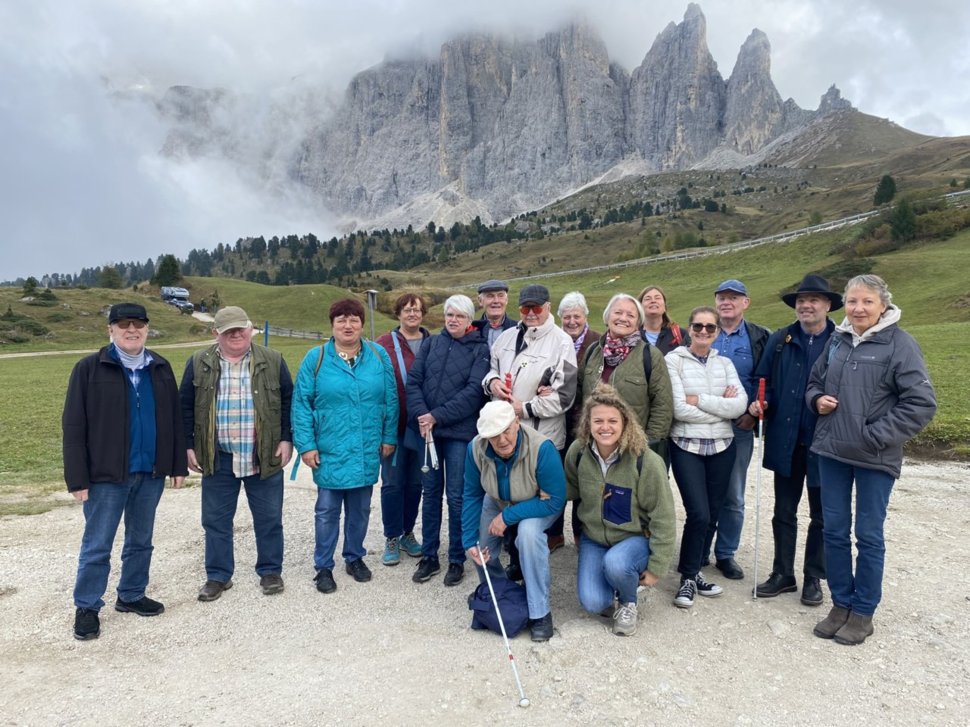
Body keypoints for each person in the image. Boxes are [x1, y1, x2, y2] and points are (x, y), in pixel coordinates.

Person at [806, 274, 936, 645]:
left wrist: (875, 435)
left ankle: (863, 611)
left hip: (874, 456)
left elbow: (921, 403)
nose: (858, 308)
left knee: (868, 534)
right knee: (833, 530)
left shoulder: (900, 344)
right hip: (832, 452)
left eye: (866, 302)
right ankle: (840, 604)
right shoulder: (837, 340)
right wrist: (816, 400)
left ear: (883, 305)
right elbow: (815, 383)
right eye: (852, 302)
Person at [63, 303, 187, 640]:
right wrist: (77, 477)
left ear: (147, 328)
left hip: (150, 473)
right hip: (106, 476)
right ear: (111, 330)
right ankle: (87, 606)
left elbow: (174, 420)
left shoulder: (160, 367)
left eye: (138, 324)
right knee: (98, 544)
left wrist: (176, 465)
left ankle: (131, 594)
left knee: (141, 540)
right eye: (123, 325)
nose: (131, 330)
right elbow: (74, 425)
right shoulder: (89, 368)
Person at [180, 305, 293, 601]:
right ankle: (218, 576)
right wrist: (188, 444)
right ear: (216, 332)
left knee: (269, 518)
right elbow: (185, 406)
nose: (236, 334)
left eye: (240, 328)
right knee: (216, 520)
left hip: (263, 453)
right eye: (228, 330)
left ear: (250, 328)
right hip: (218, 456)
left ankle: (270, 571)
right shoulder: (198, 362)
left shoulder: (273, 360)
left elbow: (288, 402)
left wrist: (286, 439)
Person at [291, 298, 398, 594]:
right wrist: (306, 445)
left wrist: (389, 436)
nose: (348, 325)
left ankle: (354, 557)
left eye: (354, 319)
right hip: (329, 447)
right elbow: (301, 404)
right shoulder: (317, 358)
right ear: (332, 325)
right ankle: (323, 566)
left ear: (362, 324)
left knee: (360, 508)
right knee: (327, 509)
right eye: (341, 320)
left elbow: (390, 398)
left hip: (366, 445)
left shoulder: (377, 356)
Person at [749, 275, 841, 606]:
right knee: (783, 511)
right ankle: (783, 574)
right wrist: (762, 401)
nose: (806, 305)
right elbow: (762, 379)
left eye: (814, 299)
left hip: (825, 444)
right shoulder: (780, 340)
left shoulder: (841, 342)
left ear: (828, 305)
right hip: (786, 440)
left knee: (822, 515)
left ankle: (814, 577)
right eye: (802, 300)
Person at [564, 384, 675, 636]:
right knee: (593, 602)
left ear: (624, 422)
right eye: (598, 421)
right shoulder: (578, 452)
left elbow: (664, 517)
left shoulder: (645, 460)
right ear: (588, 423)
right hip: (595, 538)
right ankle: (614, 584)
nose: (605, 427)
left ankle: (628, 601)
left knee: (616, 563)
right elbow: (567, 491)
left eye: (613, 420)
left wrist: (657, 566)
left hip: (633, 538)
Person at [483, 284, 577, 579]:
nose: (532, 314)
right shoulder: (507, 338)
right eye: (526, 309)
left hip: (542, 437)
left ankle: (528, 563)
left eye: (538, 308)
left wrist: (525, 408)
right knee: (508, 494)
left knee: (534, 501)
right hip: (505, 435)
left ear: (549, 307)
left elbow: (564, 397)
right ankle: (513, 559)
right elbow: (491, 369)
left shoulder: (561, 342)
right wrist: (493, 383)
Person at [462, 401, 566, 642]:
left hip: (538, 502)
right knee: (480, 545)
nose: (501, 441)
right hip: (498, 499)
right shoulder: (475, 449)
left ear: (517, 423)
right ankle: (501, 593)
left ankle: (540, 611)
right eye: (493, 436)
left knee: (528, 535)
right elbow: (472, 494)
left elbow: (555, 501)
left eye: (506, 431)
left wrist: (508, 517)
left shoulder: (543, 448)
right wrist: (469, 540)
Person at [665, 306, 747, 609]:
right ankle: (687, 577)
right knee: (698, 512)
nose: (703, 332)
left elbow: (739, 405)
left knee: (713, 512)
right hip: (687, 445)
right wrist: (718, 407)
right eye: (698, 326)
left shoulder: (724, 363)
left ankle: (696, 568)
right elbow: (678, 409)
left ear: (716, 332)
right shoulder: (673, 361)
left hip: (722, 446)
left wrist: (699, 399)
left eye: (710, 328)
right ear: (689, 329)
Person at [405, 294, 490, 586]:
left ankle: (456, 557)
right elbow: (414, 382)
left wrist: (437, 415)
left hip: (458, 433)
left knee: (456, 496)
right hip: (428, 432)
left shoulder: (480, 350)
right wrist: (422, 415)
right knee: (430, 494)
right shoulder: (431, 344)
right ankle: (430, 555)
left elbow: (472, 393)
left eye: (460, 316)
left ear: (469, 320)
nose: (453, 320)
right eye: (449, 315)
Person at [708, 279, 771, 580]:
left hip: (741, 426)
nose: (726, 302)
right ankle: (699, 547)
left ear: (746, 302)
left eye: (734, 297)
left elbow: (769, 379)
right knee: (704, 491)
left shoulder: (760, 337)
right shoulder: (704, 331)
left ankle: (726, 553)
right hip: (705, 424)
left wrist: (754, 410)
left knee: (733, 493)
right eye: (721, 298)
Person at [577, 293, 673, 460]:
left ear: (638, 323)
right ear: (607, 317)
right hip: (594, 448)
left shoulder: (650, 355)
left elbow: (662, 406)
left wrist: (647, 446)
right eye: (618, 313)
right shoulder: (593, 351)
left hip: (633, 449)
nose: (623, 318)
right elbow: (578, 395)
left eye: (630, 315)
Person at [375, 293, 431, 566]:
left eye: (417, 310)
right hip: (394, 427)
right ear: (398, 314)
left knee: (415, 483)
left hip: (423, 428)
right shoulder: (383, 345)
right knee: (393, 483)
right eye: (407, 310)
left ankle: (408, 532)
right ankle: (391, 536)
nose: (412, 314)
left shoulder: (434, 342)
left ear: (423, 314)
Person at [547, 291, 600, 549]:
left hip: (585, 424)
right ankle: (554, 533)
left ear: (585, 316)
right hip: (556, 421)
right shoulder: (553, 341)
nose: (571, 321)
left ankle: (581, 534)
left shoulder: (598, 342)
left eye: (576, 316)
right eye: (566, 316)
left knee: (584, 480)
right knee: (555, 478)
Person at [639, 285, 688, 355]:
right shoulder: (632, 336)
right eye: (647, 299)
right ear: (640, 307)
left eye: (657, 298)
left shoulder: (680, 334)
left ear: (664, 307)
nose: (653, 301)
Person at [477, 279, 517, 348]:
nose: (496, 301)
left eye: (500, 296)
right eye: (490, 296)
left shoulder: (518, 330)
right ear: (480, 301)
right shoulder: (472, 330)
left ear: (506, 300)